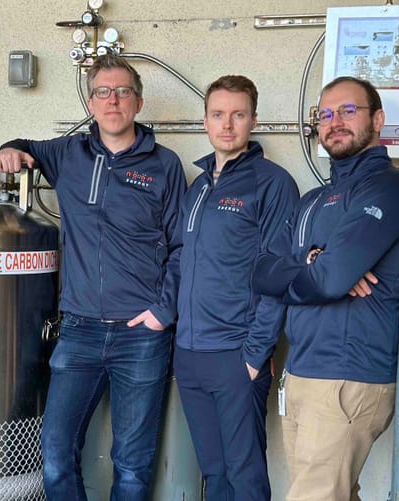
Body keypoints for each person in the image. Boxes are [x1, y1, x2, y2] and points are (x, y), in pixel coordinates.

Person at [0, 54, 187, 500]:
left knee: (133, 466)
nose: (112, 100)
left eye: (122, 92)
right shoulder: (68, 154)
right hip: (79, 330)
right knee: (55, 454)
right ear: (91, 102)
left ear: (138, 102)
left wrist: (162, 313)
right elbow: (21, 145)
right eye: (103, 92)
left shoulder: (165, 165)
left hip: (141, 334)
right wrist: (8, 147)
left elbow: (183, 247)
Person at [252, 76, 399, 500]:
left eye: (349, 110)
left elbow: (330, 281)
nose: (335, 122)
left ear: (378, 119)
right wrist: (313, 261)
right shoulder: (312, 200)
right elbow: (259, 271)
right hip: (305, 372)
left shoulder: (392, 188)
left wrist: (317, 272)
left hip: (347, 376)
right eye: (325, 114)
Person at [174, 75, 299, 500]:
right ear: (205, 122)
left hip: (235, 354)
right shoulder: (198, 187)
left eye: (238, 115)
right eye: (218, 114)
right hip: (190, 354)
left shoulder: (272, 183)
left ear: (254, 120)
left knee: (245, 476)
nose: (227, 125)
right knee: (215, 473)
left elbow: (279, 274)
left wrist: (254, 354)